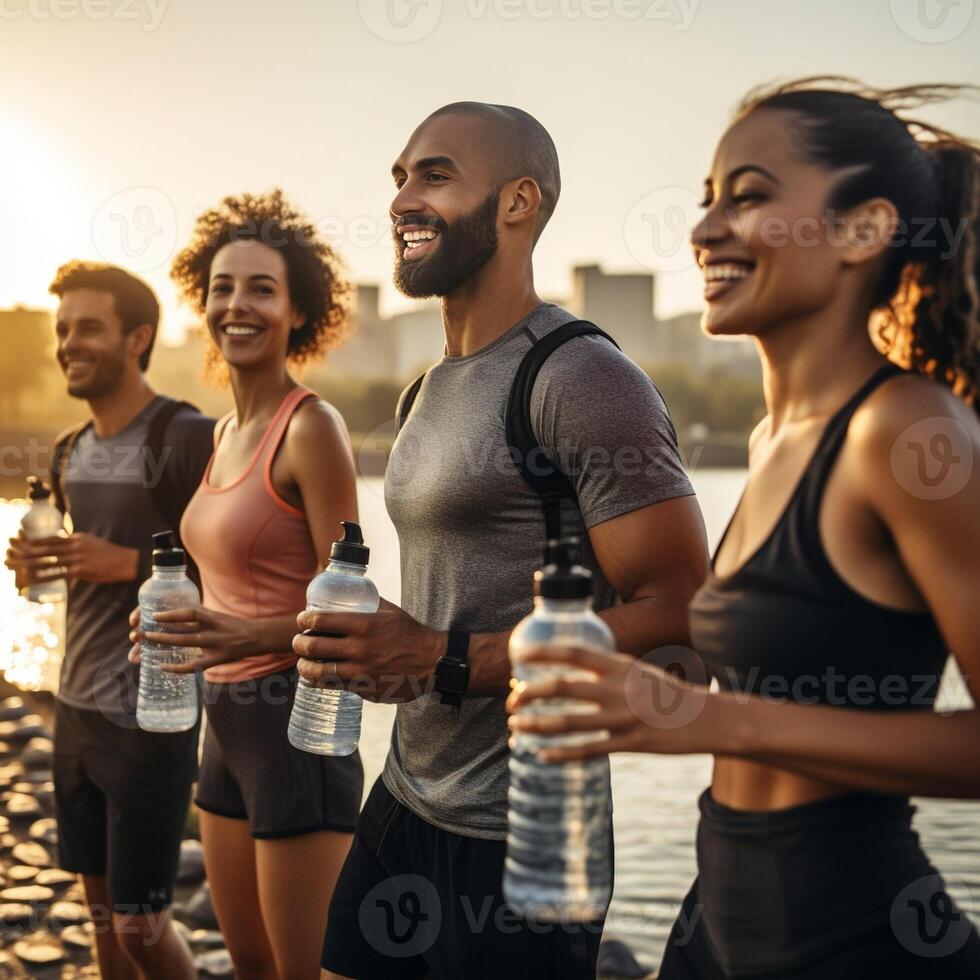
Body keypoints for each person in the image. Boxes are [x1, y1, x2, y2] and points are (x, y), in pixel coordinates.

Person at [508, 78, 980, 979]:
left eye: (750, 196)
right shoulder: (773, 438)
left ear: (860, 229)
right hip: (718, 919)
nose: (704, 230)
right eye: (707, 201)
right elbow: (786, 670)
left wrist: (706, 715)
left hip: (853, 939)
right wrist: (618, 682)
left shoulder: (904, 432)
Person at [294, 102, 709, 980]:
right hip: (404, 797)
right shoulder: (425, 391)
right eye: (400, 178)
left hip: (528, 839)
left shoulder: (583, 376)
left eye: (434, 175)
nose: (404, 198)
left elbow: (681, 619)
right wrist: (384, 653)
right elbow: (450, 603)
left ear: (519, 202)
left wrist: (447, 656)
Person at [128, 190, 363, 980]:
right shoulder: (223, 433)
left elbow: (353, 610)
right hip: (223, 727)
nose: (238, 304)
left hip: (297, 731)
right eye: (223, 287)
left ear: (299, 313)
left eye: (262, 288)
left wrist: (243, 635)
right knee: (250, 966)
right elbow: (230, 576)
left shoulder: (311, 428)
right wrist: (182, 619)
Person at [5, 261, 214, 980]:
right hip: (74, 708)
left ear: (138, 338)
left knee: (142, 926)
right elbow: (73, 571)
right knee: (100, 919)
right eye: (63, 330)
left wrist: (126, 565)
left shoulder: (186, 437)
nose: (69, 343)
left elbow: (242, 576)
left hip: (150, 718)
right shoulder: (69, 452)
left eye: (88, 328)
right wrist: (35, 567)